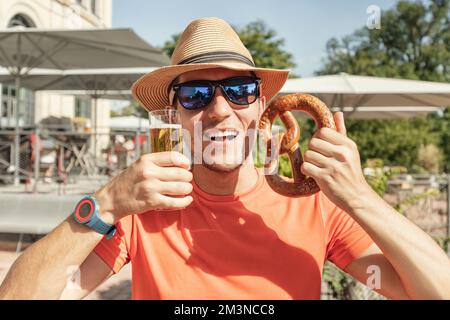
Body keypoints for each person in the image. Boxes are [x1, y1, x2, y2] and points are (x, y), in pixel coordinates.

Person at [1, 17, 449, 300]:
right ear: (174, 114)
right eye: (196, 94)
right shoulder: (142, 211)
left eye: (239, 91)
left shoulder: (315, 206)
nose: (219, 110)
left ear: (261, 109)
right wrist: (104, 205)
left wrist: (361, 198)